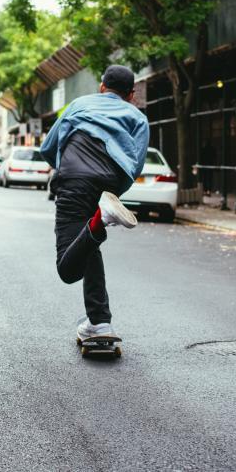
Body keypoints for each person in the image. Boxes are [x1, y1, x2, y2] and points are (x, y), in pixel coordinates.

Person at [40, 65, 150, 342]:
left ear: (102, 87)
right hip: (108, 184)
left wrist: (63, 169)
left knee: (67, 270)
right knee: (89, 247)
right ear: (131, 94)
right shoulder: (137, 117)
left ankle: (100, 219)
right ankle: (100, 322)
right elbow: (134, 165)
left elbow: (48, 147)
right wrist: (113, 193)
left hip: (75, 180)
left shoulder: (79, 104)